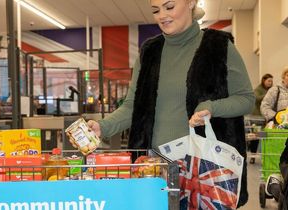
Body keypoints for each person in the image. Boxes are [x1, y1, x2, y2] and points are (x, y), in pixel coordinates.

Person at [85, 0, 255, 207]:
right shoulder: (150, 52)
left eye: (169, 7)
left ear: (191, 3)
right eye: (155, 10)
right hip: (153, 170)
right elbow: (133, 106)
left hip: (203, 170)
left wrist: (212, 107)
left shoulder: (218, 46)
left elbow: (246, 99)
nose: (162, 15)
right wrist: (102, 127)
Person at [248, 73, 273, 164]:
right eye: (268, 81)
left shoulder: (272, 90)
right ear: (263, 80)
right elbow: (257, 98)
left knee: (266, 136)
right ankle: (253, 156)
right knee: (256, 137)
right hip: (257, 118)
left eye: (271, 81)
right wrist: (268, 95)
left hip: (267, 118)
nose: (270, 83)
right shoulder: (258, 89)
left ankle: (266, 157)